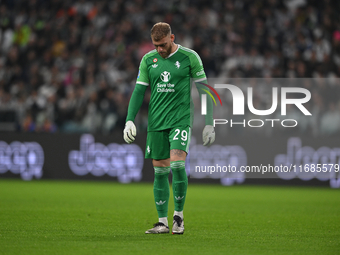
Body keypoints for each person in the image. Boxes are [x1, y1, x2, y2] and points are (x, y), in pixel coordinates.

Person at [123, 22, 215, 234]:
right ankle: (163, 222)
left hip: (180, 119)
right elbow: (138, 91)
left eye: (163, 45)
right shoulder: (148, 60)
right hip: (156, 122)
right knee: (160, 170)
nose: (159, 49)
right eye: (156, 45)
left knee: (176, 165)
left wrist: (209, 122)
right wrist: (130, 119)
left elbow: (205, 91)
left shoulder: (190, 57)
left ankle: (179, 218)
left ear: (172, 38)